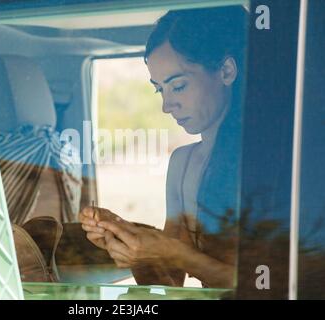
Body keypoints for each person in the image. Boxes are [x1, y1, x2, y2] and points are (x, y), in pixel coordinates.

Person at [80, 6, 247, 288]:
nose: (167, 105)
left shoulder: (275, 161)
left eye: (178, 86)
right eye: (160, 89)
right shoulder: (182, 164)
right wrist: (134, 248)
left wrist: (172, 251)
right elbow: (170, 286)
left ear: (226, 71)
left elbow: (267, 285)